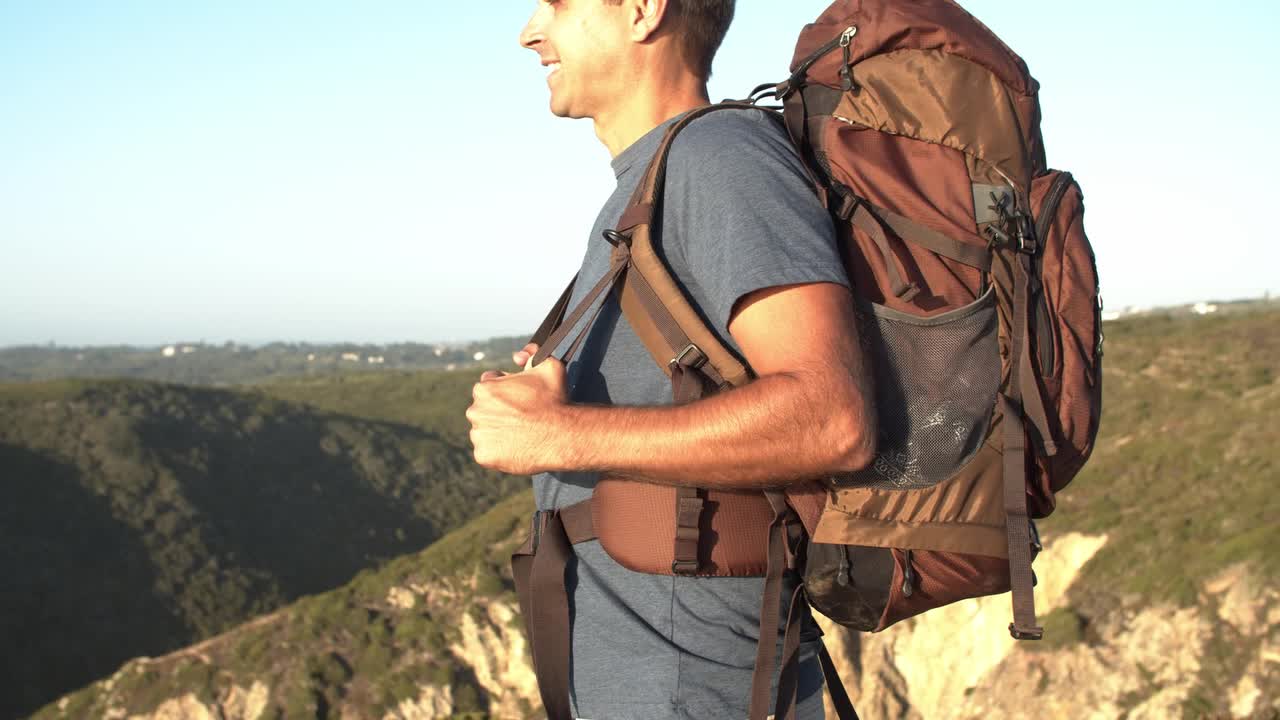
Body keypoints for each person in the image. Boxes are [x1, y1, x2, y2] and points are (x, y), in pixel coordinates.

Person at [466, 1, 876, 718]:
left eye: (555, 5)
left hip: (698, 693)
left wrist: (558, 436)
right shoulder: (652, 180)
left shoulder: (719, 161)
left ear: (640, 11)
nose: (529, 32)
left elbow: (831, 417)